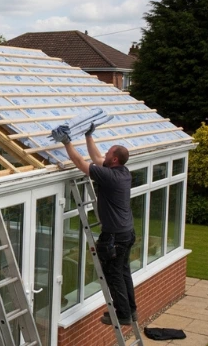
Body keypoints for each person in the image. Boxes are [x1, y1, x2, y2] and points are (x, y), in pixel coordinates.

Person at [60, 123, 138, 326]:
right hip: (127, 233)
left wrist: (67, 143)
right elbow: (96, 159)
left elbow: (80, 162)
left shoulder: (109, 176)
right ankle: (131, 310)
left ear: (114, 159)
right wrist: (88, 137)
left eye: (109, 153)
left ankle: (122, 315)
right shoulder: (123, 171)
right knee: (123, 271)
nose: (105, 155)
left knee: (113, 275)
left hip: (115, 237)